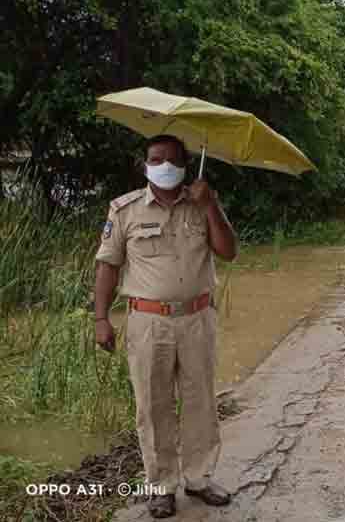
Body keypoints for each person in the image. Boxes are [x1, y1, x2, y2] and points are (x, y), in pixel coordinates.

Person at [94, 134, 238, 518]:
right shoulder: (124, 210)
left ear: (186, 166)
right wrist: (100, 318)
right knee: (153, 406)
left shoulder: (202, 204)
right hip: (147, 322)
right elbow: (108, 265)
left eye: (173, 160)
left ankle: (199, 478)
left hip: (197, 319)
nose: (165, 165)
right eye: (156, 158)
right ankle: (161, 485)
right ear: (145, 164)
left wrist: (212, 205)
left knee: (201, 402)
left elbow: (228, 251)